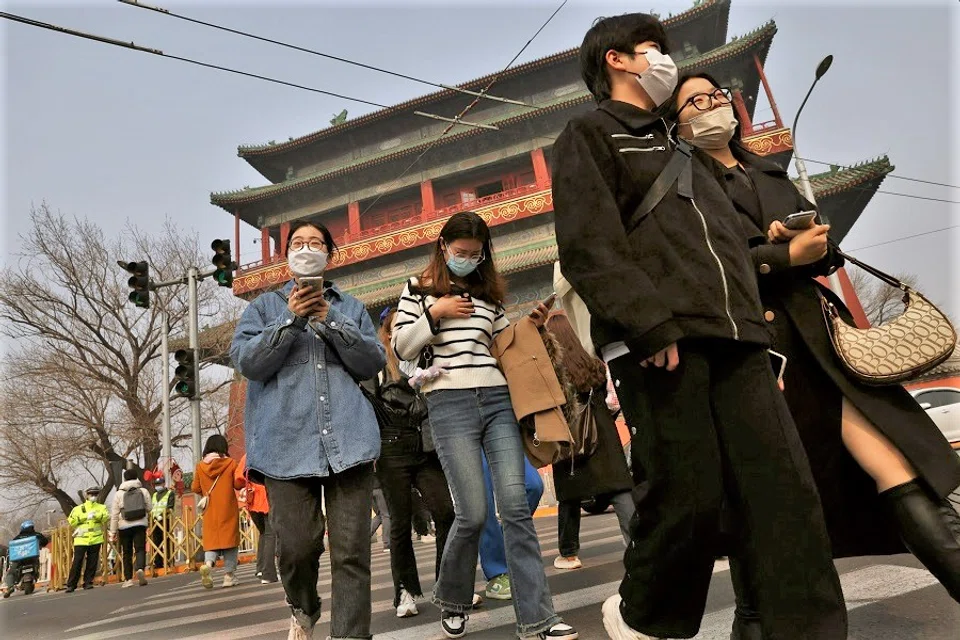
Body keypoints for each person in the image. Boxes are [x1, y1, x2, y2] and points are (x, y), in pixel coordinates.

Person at [550, 13, 847, 640]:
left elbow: (729, 241)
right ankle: (644, 616)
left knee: (784, 497)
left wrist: (775, 241)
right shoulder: (591, 135)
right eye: (654, 49)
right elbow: (588, 243)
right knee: (688, 495)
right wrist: (647, 324)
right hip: (664, 341)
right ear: (619, 60)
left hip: (739, 335)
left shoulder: (685, 149)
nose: (665, 61)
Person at [670, 72, 960, 628]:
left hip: (819, 345)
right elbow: (704, 271)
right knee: (760, 513)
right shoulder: (686, 184)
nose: (709, 107)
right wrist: (777, 256)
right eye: (693, 102)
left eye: (715, 97)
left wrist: (811, 246)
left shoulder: (768, 170)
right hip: (756, 355)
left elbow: (827, 255)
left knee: (897, 467)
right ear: (677, 122)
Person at [392, 211, 578, 640]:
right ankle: (454, 597)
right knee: (472, 512)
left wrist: (526, 327)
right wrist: (434, 312)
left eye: (476, 255)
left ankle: (539, 618)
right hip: (448, 402)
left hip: (496, 399)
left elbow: (500, 347)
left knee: (515, 508)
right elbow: (402, 346)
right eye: (460, 253)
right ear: (443, 248)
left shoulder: (488, 294)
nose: (468, 260)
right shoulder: (417, 290)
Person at [231, 220, 385, 640]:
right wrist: (291, 320)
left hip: (349, 440)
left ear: (328, 255)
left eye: (315, 243)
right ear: (287, 257)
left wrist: (331, 320)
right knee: (297, 548)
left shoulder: (349, 307)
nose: (306, 248)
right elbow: (247, 362)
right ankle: (305, 605)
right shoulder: (262, 308)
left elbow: (372, 361)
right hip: (285, 445)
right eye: (298, 243)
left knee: (352, 552)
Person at [372, 307, 455, 618]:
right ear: (388, 332)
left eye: (409, 324)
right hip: (392, 447)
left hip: (425, 445)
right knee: (399, 522)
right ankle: (404, 591)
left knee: (446, 512)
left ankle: (446, 583)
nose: (403, 330)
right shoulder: (380, 364)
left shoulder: (427, 356)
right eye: (397, 326)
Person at [545, 311, 635, 570]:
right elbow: (613, 401)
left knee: (570, 497)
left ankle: (569, 554)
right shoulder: (594, 365)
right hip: (604, 437)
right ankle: (635, 543)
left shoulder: (552, 373)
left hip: (570, 440)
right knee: (619, 489)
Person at [478, 453, 542, 601]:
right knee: (482, 501)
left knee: (533, 485)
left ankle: (500, 544)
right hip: (467, 435)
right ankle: (496, 571)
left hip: (503, 430)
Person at [191, 434, 244, 590]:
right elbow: (237, 484)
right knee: (230, 542)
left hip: (210, 510)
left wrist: (206, 491)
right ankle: (229, 576)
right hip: (228, 508)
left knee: (212, 541)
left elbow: (194, 487)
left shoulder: (200, 466)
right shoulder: (230, 463)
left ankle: (208, 564)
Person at [237, 453, 278, 584]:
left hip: (252, 500)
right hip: (267, 496)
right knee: (271, 534)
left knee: (263, 533)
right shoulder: (269, 451)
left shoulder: (246, 456)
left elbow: (237, 479)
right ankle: (268, 573)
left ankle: (260, 568)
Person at [109, 468, 151, 587]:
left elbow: (114, 515)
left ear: (125, 479)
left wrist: (112, 531)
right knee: (140, 549)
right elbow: (149, 508)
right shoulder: (143, 491)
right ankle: (140, 569)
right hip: (140, 524)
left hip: (124, 526)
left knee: (126, 552)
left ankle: (128, 579)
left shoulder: (118, 494)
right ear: (136, 477)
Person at [65, 486, 110, 593]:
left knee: (92, 562)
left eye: (95, 494)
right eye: (91, 494)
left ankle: (88, 582)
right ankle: (71, 584)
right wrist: (85, 517)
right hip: (81, 539)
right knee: (77, 562)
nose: (93, 496)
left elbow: (105, 517)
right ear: (87, 496)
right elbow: (71, 521)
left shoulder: (101, 507)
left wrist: (95, 516)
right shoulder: (78, 509)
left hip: (96, 538)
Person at [3, 521, 49, 598]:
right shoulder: (37, 535)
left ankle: (10, 587)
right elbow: (45, 542)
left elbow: (12, 549)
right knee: (37, 565)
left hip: (19, 560)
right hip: (33, 559)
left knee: (10, 573)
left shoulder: (17, 538)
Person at [150, 475, 176, 570]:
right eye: (156, 484)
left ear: (163, 484)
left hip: (165, 520)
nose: (158, 486)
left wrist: (162, 515)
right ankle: (158, 563)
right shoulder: (154, 495)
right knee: (156, 542)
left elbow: (170, 506)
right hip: (155, 522)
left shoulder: (170, 493)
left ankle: (169, 561)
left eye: (159, 484)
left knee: (168, 540)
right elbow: (152, 508)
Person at [370, 474, 391, 554]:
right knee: (386, 515)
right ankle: (387, 544)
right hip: (379, 487)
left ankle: (363, 540)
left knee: (379, 515)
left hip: (370, 489)